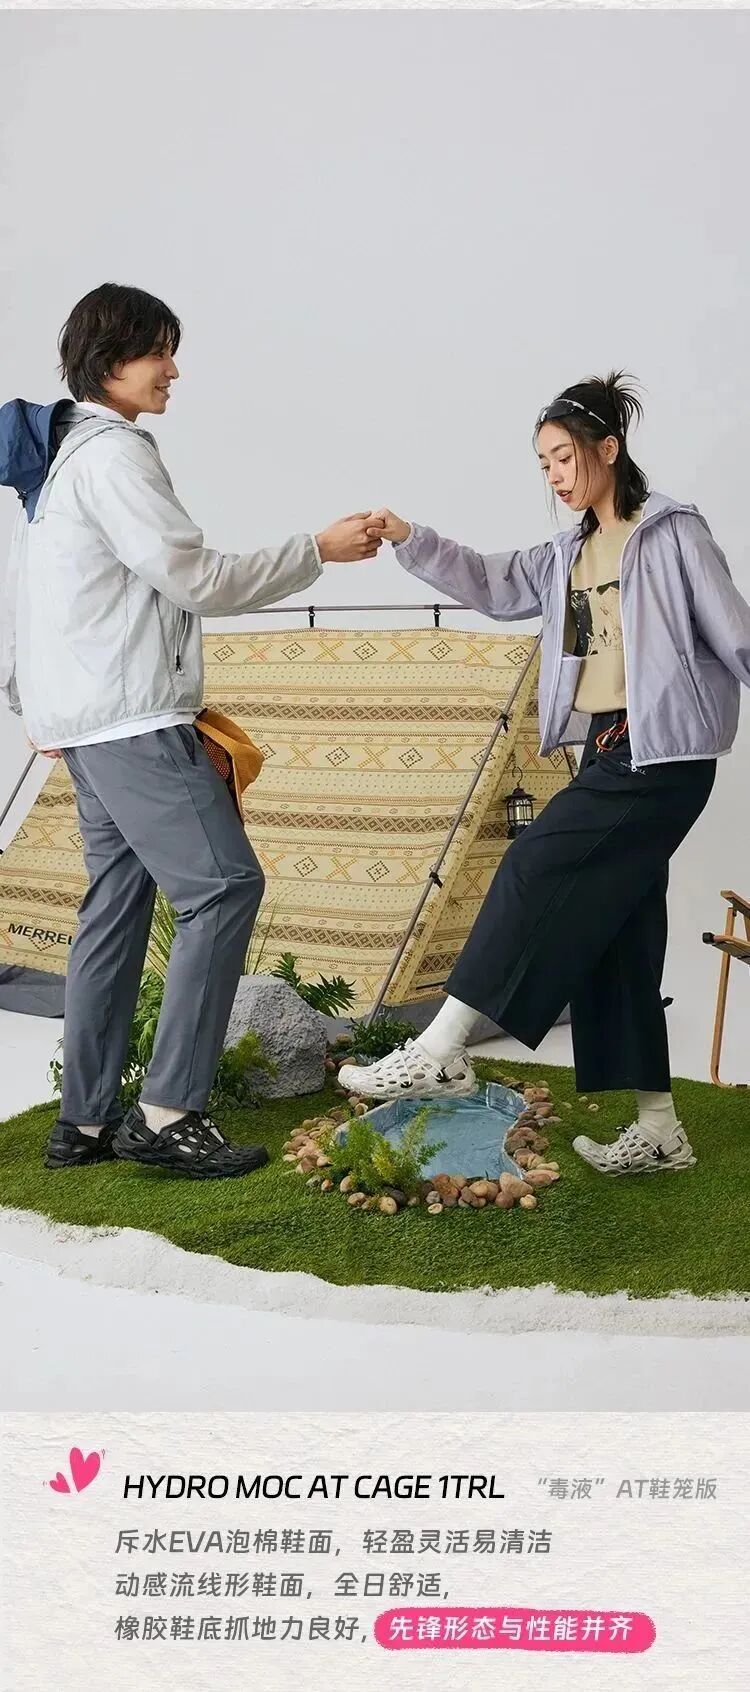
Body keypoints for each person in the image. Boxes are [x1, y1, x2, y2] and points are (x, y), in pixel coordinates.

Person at [0, 282, 384, 1178]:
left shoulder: (60, 463)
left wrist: (36, 705)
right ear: (109, 362)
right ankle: (169, 1111)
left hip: (89, 724)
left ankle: (85, 1123)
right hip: (131, 720)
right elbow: (197, 579)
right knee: (224, 887)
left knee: (114, 908)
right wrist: (317, 550)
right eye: (157, 351)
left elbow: (37, 598)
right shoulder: (111, 456)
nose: (173, 369)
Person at [338, 373, 750, 1176]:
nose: (555, 475)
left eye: (564, 456)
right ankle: (660, 1131)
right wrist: (410, 536)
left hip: (662, 756)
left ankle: (442, 1047)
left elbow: (736, 634)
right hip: (605, 745)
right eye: (544, 464)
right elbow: (493, 584)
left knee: (533, 862)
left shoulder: (671, 535)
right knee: (619, 935)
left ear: (608, 448)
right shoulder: (568, 554)